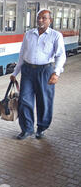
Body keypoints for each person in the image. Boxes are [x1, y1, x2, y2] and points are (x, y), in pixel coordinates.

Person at [10, 9, 66, 140]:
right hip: (28, 71)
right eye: (39, 18)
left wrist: (56, 73)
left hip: (45, 71)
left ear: (50, 20)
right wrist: (15, 72)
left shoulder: (56, 36)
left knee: (44, 101)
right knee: (24, 100)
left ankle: (41, 128)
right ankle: (27, 129)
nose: (40, 20)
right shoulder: (29, 34)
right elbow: (22, 55)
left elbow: (60, 56)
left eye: (44, 18)